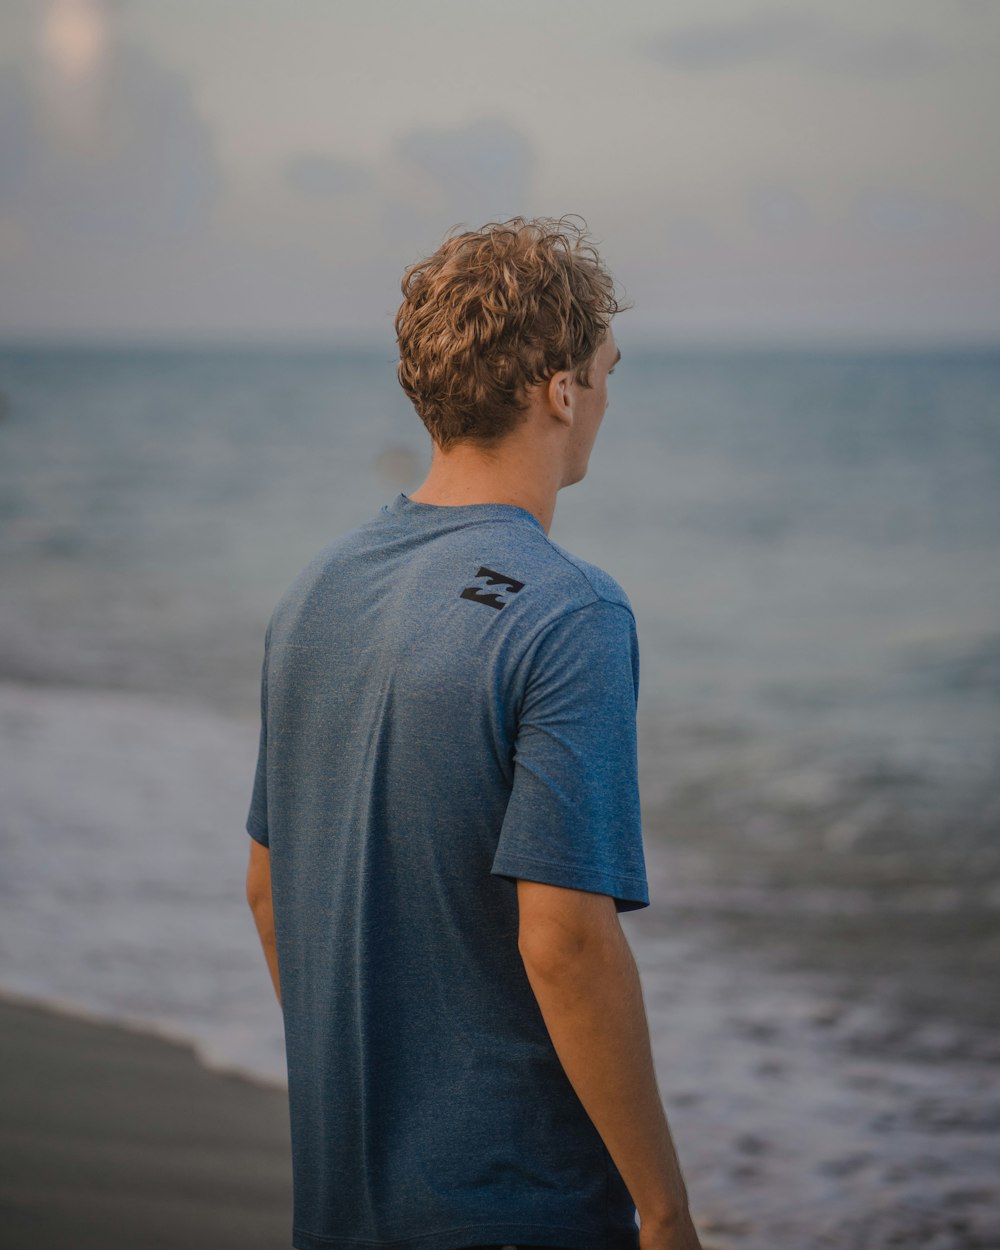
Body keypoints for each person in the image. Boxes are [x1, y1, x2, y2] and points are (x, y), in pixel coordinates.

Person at [245, 216, 702, 1250]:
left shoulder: (315, 588)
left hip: (341, 1200)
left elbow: (269, 889)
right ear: (559, 389)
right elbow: (567, 939)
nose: (603, 400)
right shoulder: (568, 610)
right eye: (604, 370)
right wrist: (666, 1210)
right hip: (517, 1206)